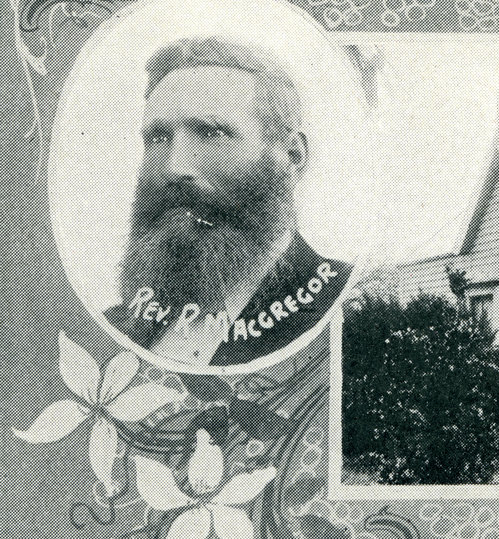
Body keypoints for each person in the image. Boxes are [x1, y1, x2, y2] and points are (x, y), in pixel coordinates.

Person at [104, 38, 352, 367]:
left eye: (212, 133)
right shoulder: (112, 328)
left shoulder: (344, 303)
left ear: (293, 156)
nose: (174, 167)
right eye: (158, 138)